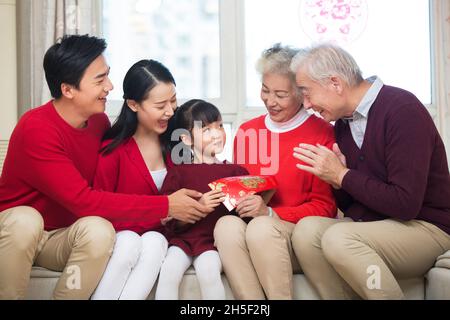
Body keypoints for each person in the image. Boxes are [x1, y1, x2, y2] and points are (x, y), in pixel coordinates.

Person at [0, 35, 211, 300]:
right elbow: (83, 200)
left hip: (60, 237)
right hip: (18, 233)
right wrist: (166, 205)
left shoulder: (98, 122)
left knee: (99, 230)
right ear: (68, 90)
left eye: (107, 76)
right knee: (25, 220)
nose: (110, 87)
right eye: (99, 80)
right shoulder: (36, 129)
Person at [291, 44, 450, 299]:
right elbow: (355, 203)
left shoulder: (402, 109)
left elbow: (405, 204)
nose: (307, 105)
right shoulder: (343, 124)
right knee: (306, 232)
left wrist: (343, 175)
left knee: (339, 238)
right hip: (376, 224)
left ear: (335, 83)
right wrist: (336, 181)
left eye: (307, 93)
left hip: (426, 227)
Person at [213, 43, 337, 300]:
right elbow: (241, 190)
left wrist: (270, 212)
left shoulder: (323, 133)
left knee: (262, 227)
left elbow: (325, 207)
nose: (270, 101)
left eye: (280, 94)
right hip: (253, 229)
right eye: (265, 90)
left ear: (303, 94)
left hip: (293, 234)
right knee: (225, 225)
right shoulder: (248, 131)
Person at [91, 59, 178, 299]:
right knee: (130, 241)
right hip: (123, 237)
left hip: (162, 239)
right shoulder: (112, 151)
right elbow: (100, 213)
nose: (170, 111)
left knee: (154, 241)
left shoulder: (179, 146)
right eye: (161, 105)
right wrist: (159, 216)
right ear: (133, 104)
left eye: (173, 101)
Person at [155, 99, 249, 300]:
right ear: (186, 139)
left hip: (212, 244)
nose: (217, 134)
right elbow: (168, 219)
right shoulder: (177, 174)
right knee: (169, 271)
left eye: (220, 126)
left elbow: (243, 218)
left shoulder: (236, 172)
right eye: (206, 129)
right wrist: (198, 208)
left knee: (209, 272)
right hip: (181, 241)